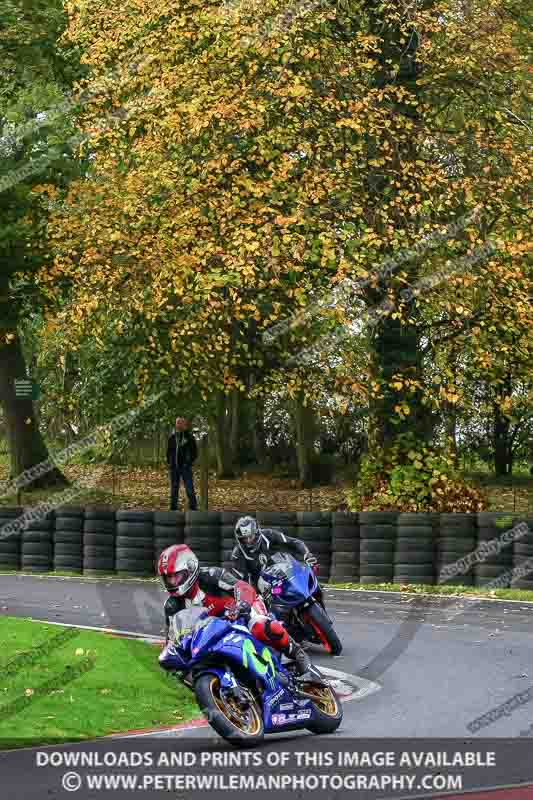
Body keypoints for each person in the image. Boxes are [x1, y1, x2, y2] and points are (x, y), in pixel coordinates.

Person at [158, 544, 314, 678]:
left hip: (241, 613)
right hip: (215, 634)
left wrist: (242, 604)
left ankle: (298, 654)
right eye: (168, 578)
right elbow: (173, 639)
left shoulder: (210, 576)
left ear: (190, 568)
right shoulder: (172, 606)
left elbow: (243, 587)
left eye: (175, 576)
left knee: (261, 626)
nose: (172, 582)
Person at [230, 515, 317, 590]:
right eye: (245, 538)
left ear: (256, 533)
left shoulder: (269, 534)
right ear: (240, 538)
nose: (248, 541)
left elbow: (294, 542)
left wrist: (307, 554)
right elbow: (241, 582)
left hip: (283, 575)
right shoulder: (237, 554)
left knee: (308, 584)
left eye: (251, 537)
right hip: (262, 588)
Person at [166, 417, 198, 511]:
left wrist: (188, 462)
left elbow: (194, 453)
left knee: (189, 488)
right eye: (177, 423)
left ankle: (193, 507)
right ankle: (173, 508)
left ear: (185, 425)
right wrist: (170, 462)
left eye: (181, 423)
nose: (179, 425)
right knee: (174, 489)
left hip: (185, 468)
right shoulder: (172, 437)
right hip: (174, 467)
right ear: (176, 424)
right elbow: (168, 452)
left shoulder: (189, 438)